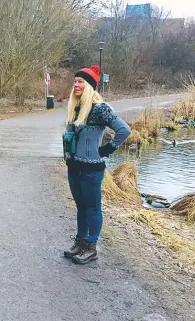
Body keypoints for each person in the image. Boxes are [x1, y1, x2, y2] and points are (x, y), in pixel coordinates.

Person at [62, 65, 131, 264]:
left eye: (80, 81)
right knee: (80, 206)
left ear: (90, 85)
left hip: (92, 169)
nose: (76, 84)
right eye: (75, 81)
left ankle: (91, 246)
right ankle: (80, 241)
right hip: (74, 167)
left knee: (92, 207)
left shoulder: (100, 109)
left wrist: (107, 150)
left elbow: (124, 130)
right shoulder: (74, 108)